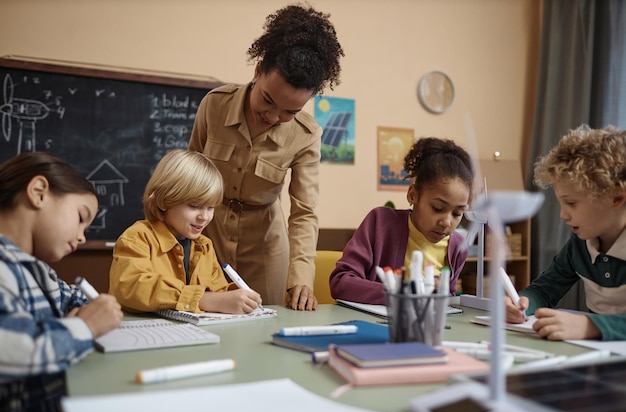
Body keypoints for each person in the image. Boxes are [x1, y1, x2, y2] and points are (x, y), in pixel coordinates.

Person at [187, 4, 344, 310]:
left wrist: (301, 278)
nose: (272, 117)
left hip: (266, 251)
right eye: (268, 100)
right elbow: (188, 180)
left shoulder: (306, 134)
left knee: (265, 329)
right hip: (207, 238)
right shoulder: (215, 106)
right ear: (258, 71)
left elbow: (304, 213)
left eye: (290, 112)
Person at [0, 152, 123, 412]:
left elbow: (72, 297)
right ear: (39, 192)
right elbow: (18, 349)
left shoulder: (36, 271)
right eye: (81, 217)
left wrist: (90, 311)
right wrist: (86, 326)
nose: (81, 237)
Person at [506, 125, 626, 341]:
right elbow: (544, 291)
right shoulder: (580, 245)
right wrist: (521, 302)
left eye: (571, 203)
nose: (563, 215)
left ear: (616, 198)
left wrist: (590, 326)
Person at [109, 149, 262, 315]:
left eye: (211, 207)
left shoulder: (204, 246)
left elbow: (217, 292)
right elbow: (130, 286)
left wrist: (237, 298)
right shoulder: (138, 238)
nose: (204, 217)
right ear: (164, 201)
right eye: (194, 206)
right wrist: (202, 299)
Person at [329, 137, 474, 304]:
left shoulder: (457, 247)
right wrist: (401, 292)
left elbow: (447, 301)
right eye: (437, 208)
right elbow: (341, 283)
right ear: (413, 195)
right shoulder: (380, 224)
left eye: (457, 213)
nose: (447, 222)